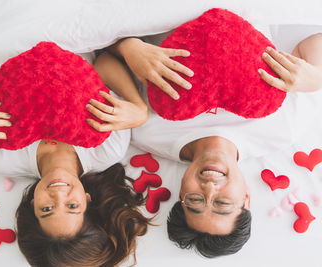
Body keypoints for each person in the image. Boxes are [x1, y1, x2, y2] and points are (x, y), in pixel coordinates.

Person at [102, 31, 322, 258]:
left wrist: (128, 48)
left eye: (195, 200)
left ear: (182, 196)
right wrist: (316, 77)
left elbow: (101, 54)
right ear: (246, 197)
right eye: (223, 203)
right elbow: (316, 42)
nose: (209, 188)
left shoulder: (144, 130)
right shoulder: (283, 129)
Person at [0, 51, 151, 266]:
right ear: (86, 199)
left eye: (46, 209)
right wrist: (139, 109)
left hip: (12, 48)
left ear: (32, 205)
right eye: (72, 206)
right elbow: (104, 63)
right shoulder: (107, 149)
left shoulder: (2, 156)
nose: (58, 194)